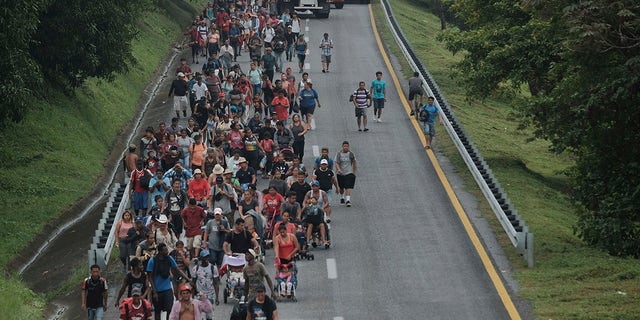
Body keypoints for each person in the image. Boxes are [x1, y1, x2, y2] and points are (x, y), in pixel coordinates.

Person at [147, 243, 191, 320]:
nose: (167, 251)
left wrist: (188, 279)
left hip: (167, 289)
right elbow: (150, 277)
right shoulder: (152, 261)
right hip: (157, 290)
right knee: (157, 311)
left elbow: (178, 270)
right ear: (160, 251)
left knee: (169, 309)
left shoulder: (169, 258)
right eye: (165, 250)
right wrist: (154, 292)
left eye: (166, 249)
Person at [192, 250, 220, 317]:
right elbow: (193, 283)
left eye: (207, 257)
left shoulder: (213, 268)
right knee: (198, 315)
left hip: (209, 295)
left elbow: (216, 283)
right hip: (199, 295)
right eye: (204, 257)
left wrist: (217, 297)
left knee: (209, 315)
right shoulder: (196, 268)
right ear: (201, 258)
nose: (206, 259)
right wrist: (192, 297)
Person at [334, 141, 357, 207]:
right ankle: (342, 197)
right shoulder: (339, 154)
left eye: (347, 146)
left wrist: (354, 172)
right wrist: (339, 169)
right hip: (340, 174)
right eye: (344, 146)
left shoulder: (351, 154)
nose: (345, 148)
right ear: (342, 147)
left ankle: (348, 200)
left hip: (349, 172)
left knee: (348, 186)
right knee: (341, 188)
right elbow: (336, 163)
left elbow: (354, 163)